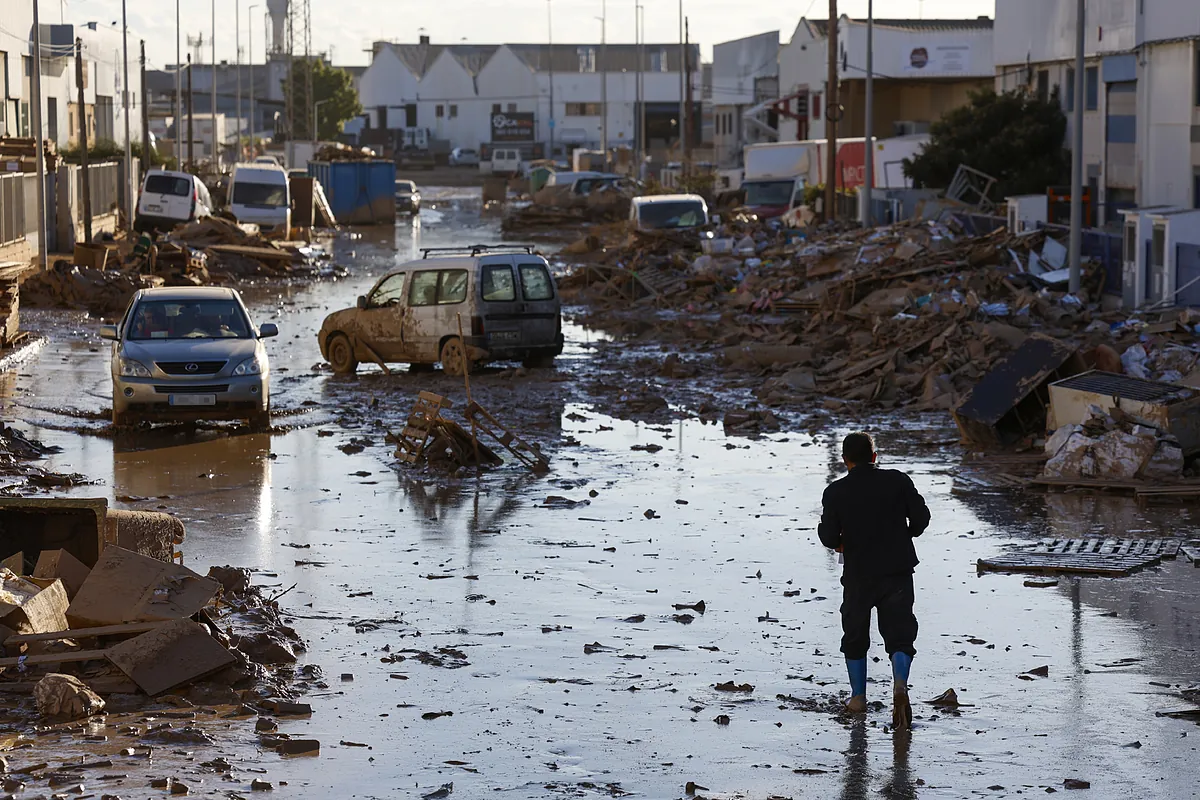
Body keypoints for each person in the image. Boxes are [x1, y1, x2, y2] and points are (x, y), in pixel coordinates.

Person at [818, 432, 930, 730]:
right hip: (898, 570)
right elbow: (921, 519)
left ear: (846, 461)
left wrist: (840, 541)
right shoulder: (898, 481)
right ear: (874, 457)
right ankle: (900, 684)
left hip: (858, 574)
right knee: (900, 633)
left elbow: (829, 536)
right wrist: (905, 533)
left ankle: (857, 698)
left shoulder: (836, 491)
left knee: (855, 635)